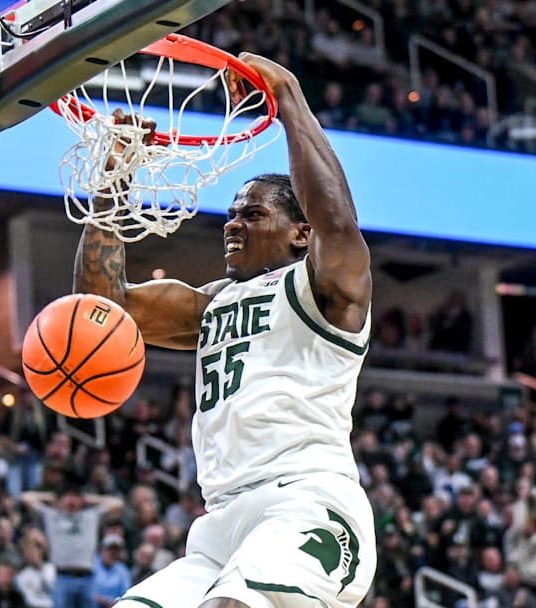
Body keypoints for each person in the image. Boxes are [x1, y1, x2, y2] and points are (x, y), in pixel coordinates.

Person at [73, 53, 376, 608]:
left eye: (253, 215)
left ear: (301, 234)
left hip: (307, 503)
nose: (232, 222)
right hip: (220, 524)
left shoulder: (326, 291)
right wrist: (115, 180)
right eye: (231, 214)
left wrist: (287, 97)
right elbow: (101, 310)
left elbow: (337, 220)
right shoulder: (211, 304)